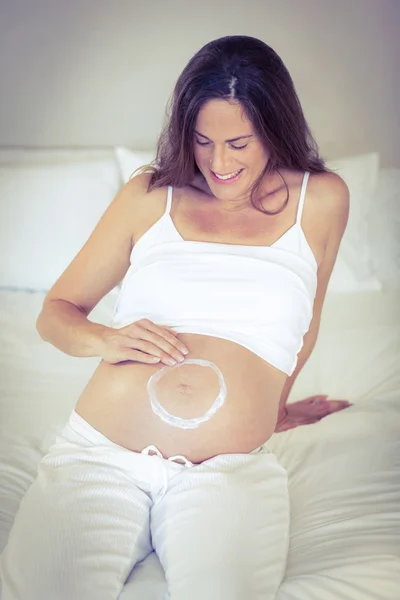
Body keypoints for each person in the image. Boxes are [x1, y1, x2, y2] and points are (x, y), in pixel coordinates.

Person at [0, 35, 351, 599]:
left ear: (275, 128)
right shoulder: (150, 194)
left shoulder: (322, 199)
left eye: (238, 142)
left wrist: (272, 407)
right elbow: (55, 314)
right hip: (100, 454)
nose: (218, 163)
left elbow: (303, 323)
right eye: (202, 140)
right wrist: (104, 339)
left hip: (229, 467)